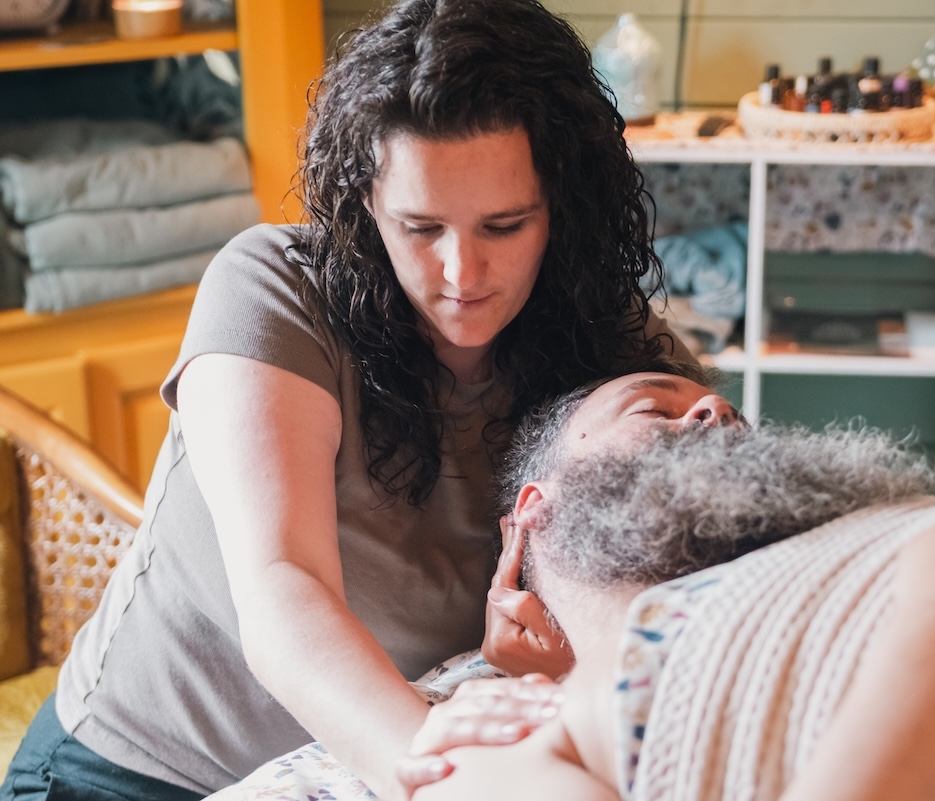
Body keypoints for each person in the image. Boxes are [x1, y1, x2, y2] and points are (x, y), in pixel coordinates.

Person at [0, 1, 695, 799]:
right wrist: (422, 754)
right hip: (134, 772)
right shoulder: (272, 290)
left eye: (504, 225)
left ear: (560, 212)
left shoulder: (618, 351)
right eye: (421, 226)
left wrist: (559, 657)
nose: (462, 276)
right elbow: (283, 585)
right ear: (367, 205)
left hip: (350, 769)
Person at [206, 366, 935, 801]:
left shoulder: (921, 528)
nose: (715, 405)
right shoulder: (495, 737)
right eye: (654, 405)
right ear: (527, 530)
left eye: (728, 409)